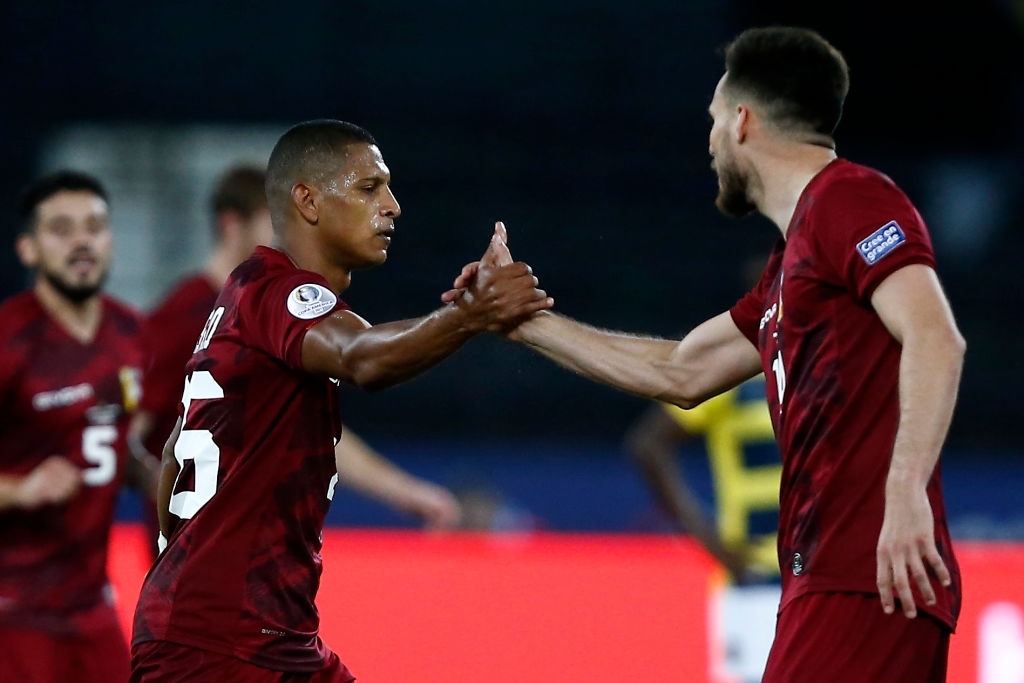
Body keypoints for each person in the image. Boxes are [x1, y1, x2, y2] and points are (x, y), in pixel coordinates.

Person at [450, 26, 965, 682]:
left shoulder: (852, 200)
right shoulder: (790, 264)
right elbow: (682, 370)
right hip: (828, 579)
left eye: (715, 118)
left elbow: (934, 335)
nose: (710, 139)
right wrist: (522, 323)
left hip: (870, 573)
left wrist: (905, 493)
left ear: (743, 122)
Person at [129, 119, 552, 682]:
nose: (394, 206)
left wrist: (175, 559)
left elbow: (178, 446)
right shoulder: (278, 291)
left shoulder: (251, 295)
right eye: (368, 187)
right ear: (307, 200)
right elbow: (365, 360)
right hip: (221, 643)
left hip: (255, 634)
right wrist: (470, 315)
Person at [131, 165, 460, 558]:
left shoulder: (272, 311)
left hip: (262, 562)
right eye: (273, 222)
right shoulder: (181, 319)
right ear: (231, 224)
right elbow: (123, 431)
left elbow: (316, 429)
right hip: (204, 559)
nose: (286, 236)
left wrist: (405, 492)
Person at [0, 170, 157, 682]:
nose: (82, 241)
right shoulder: (9, 343)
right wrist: (20, 489)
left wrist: (152, 472)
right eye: (62, 229)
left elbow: (109, 437)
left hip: (93, 608)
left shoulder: (132, 333)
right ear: (28, 249)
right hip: (13, 611)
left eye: (94, 226)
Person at [625, 374, 780, 582]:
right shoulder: (735, 367)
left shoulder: (821, 365)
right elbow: (649, 444)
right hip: (756, 577)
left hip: (822, 573)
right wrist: (703, 531)